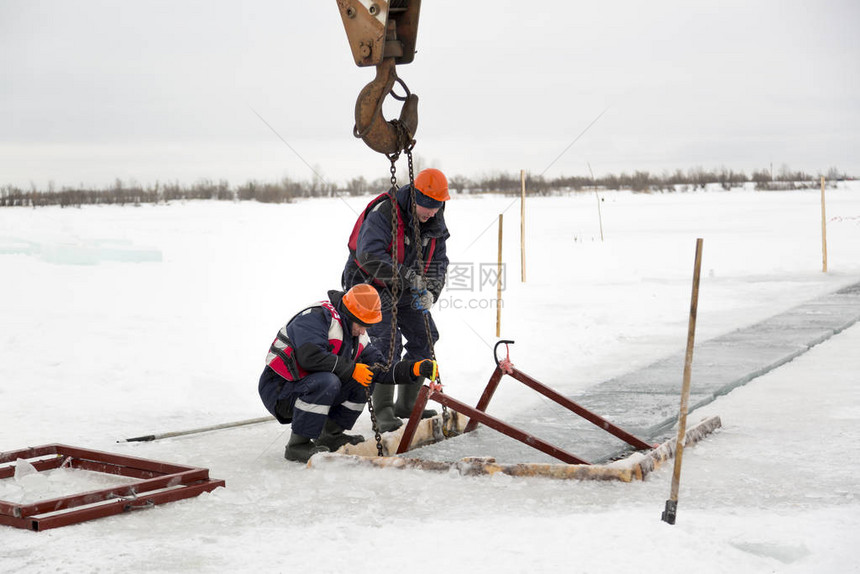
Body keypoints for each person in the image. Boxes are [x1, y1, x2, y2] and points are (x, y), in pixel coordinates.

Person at [258, 284, 438, 463]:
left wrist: (414, 369)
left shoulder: (357, 336)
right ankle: (298, 445)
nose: (363, 331)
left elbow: (381, 369)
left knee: (365, 377)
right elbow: (309, 357)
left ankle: (330, 435)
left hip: (309, 386)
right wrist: (352, 369)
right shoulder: (316, 318)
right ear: (349, 315)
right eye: (361, 325)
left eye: (367, 326)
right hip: (280, 390)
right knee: (329, 381)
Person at [342, 168, 450, 432]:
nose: (431, 213)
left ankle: (407, 403)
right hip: (370, 284)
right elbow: (369, 255)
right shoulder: (385, 212)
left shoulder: (434, 221)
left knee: (425, 337)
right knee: (387, 343)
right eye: (427, 206)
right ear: (414, 198)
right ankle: (383, 410)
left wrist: (431, 292)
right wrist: (408, 277)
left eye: (437, 207)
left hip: (405, 286)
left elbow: (438, 262)